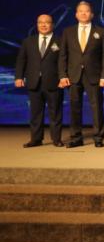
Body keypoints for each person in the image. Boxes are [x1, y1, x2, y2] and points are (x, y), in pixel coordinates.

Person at [58, 1, 104, 148]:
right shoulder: (68, 32)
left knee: (97, 107)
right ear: (76, 14)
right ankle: (76, 138)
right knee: (75, 107)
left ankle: (98, 137)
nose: (84, 13)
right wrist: (63, 75)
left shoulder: (101, 31)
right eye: (81, 11)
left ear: (92, 14)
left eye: (86, 11)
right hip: (73, 75)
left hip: (94, 75)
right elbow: (63, 55)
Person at [14, 14, 63, 147]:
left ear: (52, 25)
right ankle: (36, 139)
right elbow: (21, 60)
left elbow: (63, 61)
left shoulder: (60, 41)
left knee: (55, 112)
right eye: (40, 22)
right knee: (35, 113)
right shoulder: (28, 41)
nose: (43, 25)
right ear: (37, 25)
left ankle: (56, 139)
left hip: (54, 82)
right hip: (34, 82)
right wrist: (18, 76)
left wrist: (63, 77)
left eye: (47, 22)